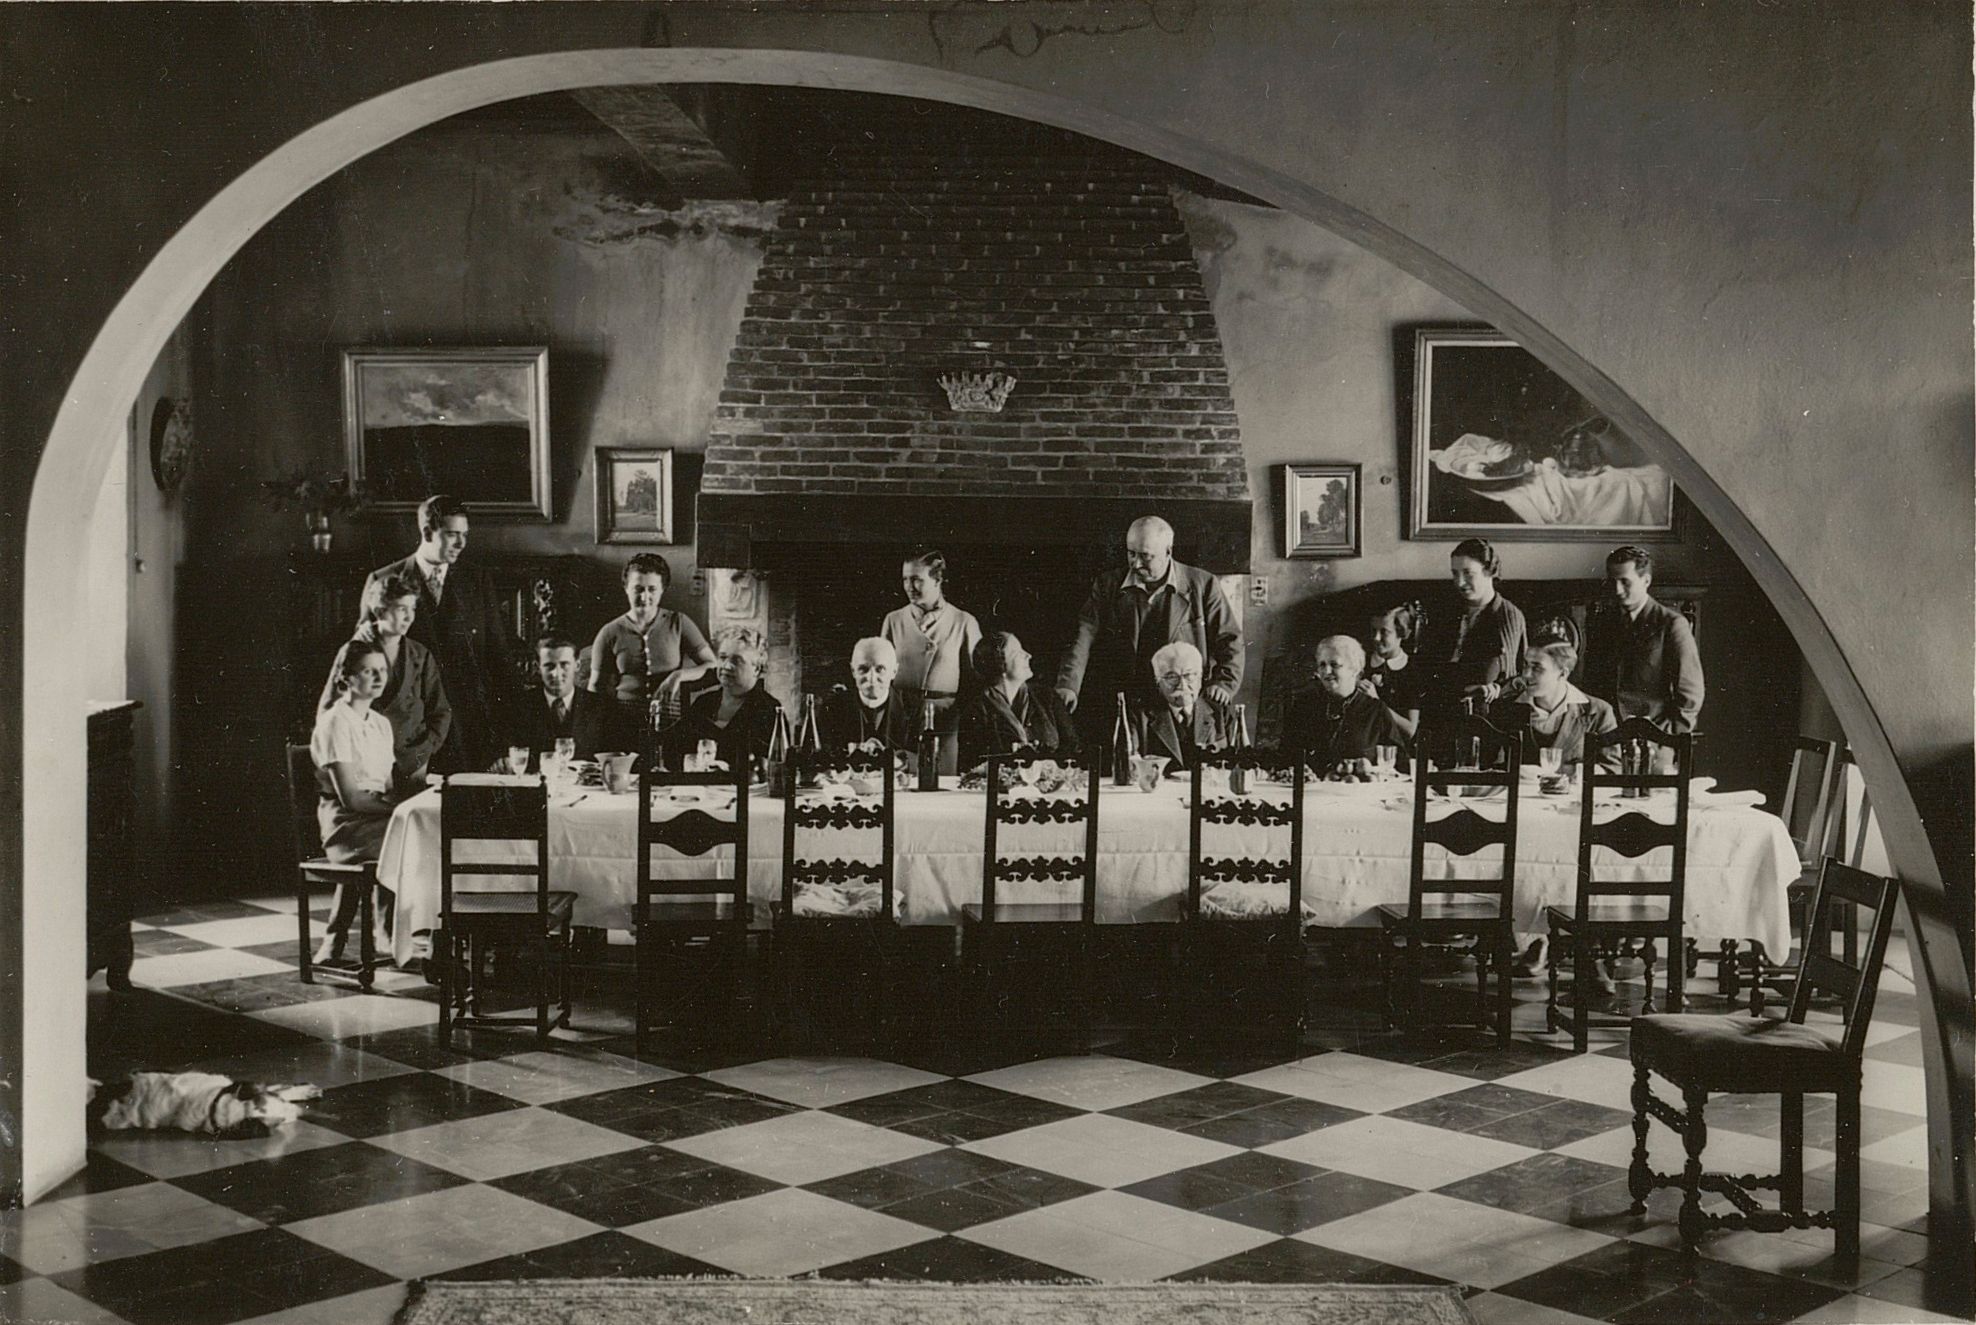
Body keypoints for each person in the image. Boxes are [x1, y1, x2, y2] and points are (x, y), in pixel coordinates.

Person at [358, 495, 517, 772]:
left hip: (470, 729)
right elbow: (363, 658)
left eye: (465, 535)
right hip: (409, 731)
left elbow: (499, 662)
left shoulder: (477, 581)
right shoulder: (384, 579)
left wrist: (503, 742)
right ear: (426, 532)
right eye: (452, 534)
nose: (461, 543)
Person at [1054, 516, 1242, 726]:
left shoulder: (1203, 585)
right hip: (1125, 701)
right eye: (1131, 554)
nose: (1136, 564)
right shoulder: (1108, 585)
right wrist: (1069, 684)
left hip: (1180, 700)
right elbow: (1083, 635)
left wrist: (1224, 684)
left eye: (1145, 556)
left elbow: (1230, 639)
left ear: (1168, 552)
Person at [310, 639, 413, 964]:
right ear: (346, 679)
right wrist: (398, 810)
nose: (379, 677)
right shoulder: (335, 723)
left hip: (376, 818)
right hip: (345, 823)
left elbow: (388, 785)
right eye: (369, 671)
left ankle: (377, 934)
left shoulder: (380, 724)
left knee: (409, 835)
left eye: (382, 670)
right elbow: (352, 798)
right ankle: (389, 933)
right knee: (411, 840)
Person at [317, 570, 450, 786]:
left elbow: (441, 710)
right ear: (380, 611)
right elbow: (328, 710)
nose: (409, 617)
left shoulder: (420, 654)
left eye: (412, 609)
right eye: (401, 609)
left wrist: (425, 749)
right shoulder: (355, 651)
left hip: (413, 761)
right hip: (367, 765)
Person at [588, 552, 717, 745]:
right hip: (624, 723)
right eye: (638, 589)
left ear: (662, 590)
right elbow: (596, 687)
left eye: (652, 589)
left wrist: (678, 676)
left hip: (672, 723)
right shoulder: (609, 632)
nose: (644, 596)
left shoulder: (679, 623)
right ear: (626, 588)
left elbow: (712, 664)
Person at [880, 551, 981, 771]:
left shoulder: (964, 622)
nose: (909, 586)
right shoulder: (893, 620)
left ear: (937, 579)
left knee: (940, 785)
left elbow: (975, 681)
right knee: (896, 781)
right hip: (900, 716)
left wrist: (957, 716)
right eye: (905, 579)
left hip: (944, 720)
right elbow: (881, 672)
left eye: (917, 579)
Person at [1599, 545, 1703, 736]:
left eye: (1625, 582)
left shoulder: (1671, 624)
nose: (1617, 590)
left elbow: (1691, 693)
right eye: (1612, 581)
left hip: (1654, 735)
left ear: (1646, 580)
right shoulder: (1604, 621)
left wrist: (1668, 737)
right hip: (1608, 733)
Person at [1417, 537, 1527, 717]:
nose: (1459, 582)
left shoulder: (1508, 616)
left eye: (1468, 573)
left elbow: (1520, 676)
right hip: (1439, 706)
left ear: (1489, 571)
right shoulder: (1446, 610)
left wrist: (1498, 689)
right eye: (1455, 573)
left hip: (1482, 713)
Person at [667, 625, 784, 777]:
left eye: (737, 660)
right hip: (699, 792)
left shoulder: (769, 709)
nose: (726, 666)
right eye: (722, 658)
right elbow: (674, 752)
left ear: (756, 669)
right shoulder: (704, 702)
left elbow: (768, 767)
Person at [958, 630, 1083, 769]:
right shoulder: (976, 710)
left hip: (1049, 787)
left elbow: (1073, 749)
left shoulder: (1047, 697)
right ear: (1001, 664)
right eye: (1018, 652)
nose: (1028, 655)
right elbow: (974, 765)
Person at [1490, 639, 1621, 770]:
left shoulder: (1598, 712)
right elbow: (1487, 767)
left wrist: (1571, 773)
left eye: (1537, 667)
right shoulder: (1505, 709)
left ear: (1563, 673)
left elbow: (1612, 769)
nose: (1526, 674)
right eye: (1525, 665)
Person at [1285, 636, 1410, 772]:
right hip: (1309, 790)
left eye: (1334, 665)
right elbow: (1285, 757)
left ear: (1355, 669)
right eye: (1322, 664)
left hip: (1359, 791)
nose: (1326, 671)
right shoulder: (1303, 706)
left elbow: (1398, 765)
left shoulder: (1375, 710)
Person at [508, 636, 612, 762]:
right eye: (549, 666)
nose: (556, 673)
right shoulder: (518, 706)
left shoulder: (602, 707)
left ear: (577, 665)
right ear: (537, 667)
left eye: (564, 665)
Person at [1135, 641, 1232, 772]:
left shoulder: (1219, 710)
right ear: (1158, 682)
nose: (1182, 685)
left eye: (1190, 676)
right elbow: (1132, 765)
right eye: (1172, 677)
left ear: (1201, 677)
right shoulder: (1140, 715)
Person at [821, 636, 922, 751]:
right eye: (863, 669)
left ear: (894, 671)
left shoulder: (914, 708)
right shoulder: (833, 707)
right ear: (853, 671)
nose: (872, 678)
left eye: (880, 669)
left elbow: (919, 759)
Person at [1363, 600, 1427, 739]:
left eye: (1384, 632)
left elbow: (1410, 730)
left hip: (1394, 750)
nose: (1376, 638)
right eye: (1374, 631)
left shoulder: (1411, 671)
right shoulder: (1361, 661)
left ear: (1401, 632)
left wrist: (1377, 702)